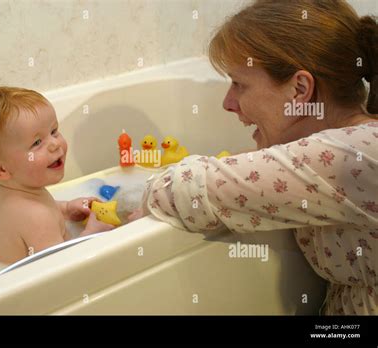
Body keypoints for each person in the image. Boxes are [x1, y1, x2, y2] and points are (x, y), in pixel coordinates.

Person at [130, 0, 377, 315]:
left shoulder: (348, 156)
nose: (228, 103)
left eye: (239, 84)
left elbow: (177, 189)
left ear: (299, 90)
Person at [0, 87, 114, 264]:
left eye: (54, 131)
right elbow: (61, 270)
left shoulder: (10, 191)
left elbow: (37, 212)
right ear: (0, 169)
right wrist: (90, 236)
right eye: (37, 143)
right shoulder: (38, 217)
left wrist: (66, 208)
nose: (54, 144)